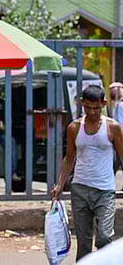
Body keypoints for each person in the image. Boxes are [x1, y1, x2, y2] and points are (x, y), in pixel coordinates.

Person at [51, 85, 123, 261]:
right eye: (88, 108)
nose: (92, 112)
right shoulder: (74, 128)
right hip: (80, 188)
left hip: (105, 190)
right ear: (82, 104)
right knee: (83, 242)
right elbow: (69, 158)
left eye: (96, 108)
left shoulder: (112, 127)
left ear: (103, 104)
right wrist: (60, 184)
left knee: (104, 237)